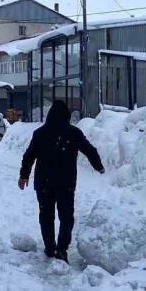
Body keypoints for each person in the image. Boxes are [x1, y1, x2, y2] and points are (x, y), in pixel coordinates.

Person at [19, 101, 105, 262]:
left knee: (46, 215)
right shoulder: (73, 133)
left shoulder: (40, 133)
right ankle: (62, 249)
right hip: (65, 183)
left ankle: (50, 248)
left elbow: (29, 156)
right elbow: (89, 150)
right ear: (67, 116)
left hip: (44, 182)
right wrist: (99, 167)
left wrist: (24, 175)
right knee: (66, 217)